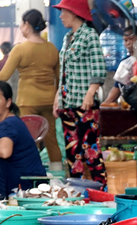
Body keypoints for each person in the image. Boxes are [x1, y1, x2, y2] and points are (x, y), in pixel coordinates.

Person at [0, 10, 62, 171]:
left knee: (26, 140)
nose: (21, 28)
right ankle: (57, 180)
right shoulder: (52, 49)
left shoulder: (20, 49)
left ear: (27, 25)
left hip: (28, 100)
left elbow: (4, 75)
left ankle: (28, 172)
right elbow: (59, 77)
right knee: (51, 140)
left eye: (21, 24)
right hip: (49, 100)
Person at [53, 0, 107, 184]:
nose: (60, 16)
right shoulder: (67, 37)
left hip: (84, 104)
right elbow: (63, 74)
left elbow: (99, 69)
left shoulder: (89, 35)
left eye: (63, 12)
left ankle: (101, 191)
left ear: (74, 13)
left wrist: (90, 94)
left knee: (91, 151)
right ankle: (76, 191)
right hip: (67, 104)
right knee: (72, 153)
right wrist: (57, 100)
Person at [102, 26, 137, 106]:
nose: (128, 43)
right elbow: (117, 87)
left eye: (131, 39)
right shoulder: (126, 62)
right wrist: (106, 103)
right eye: (125, 40)